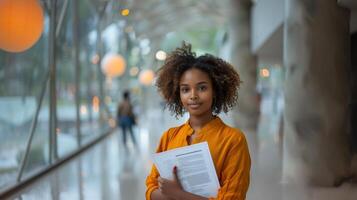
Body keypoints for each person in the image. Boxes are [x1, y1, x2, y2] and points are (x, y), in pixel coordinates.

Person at [145, 43, 251, 200]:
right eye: (185, 89)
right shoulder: (169, 137)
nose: (193, 96)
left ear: (215, 91)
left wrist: (178, 194)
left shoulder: (233, 140)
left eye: (202, 88)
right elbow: (150, 189)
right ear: (178, 94)